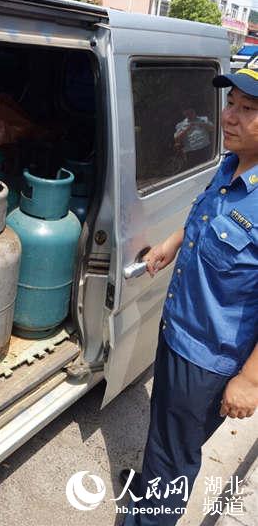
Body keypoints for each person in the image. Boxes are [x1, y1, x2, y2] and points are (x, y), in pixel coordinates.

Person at [120, 67, 258, 525]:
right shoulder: (232, 164)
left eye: (247, 109)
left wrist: (251, 381)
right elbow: (205, 218)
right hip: (178, 330)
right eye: (231, 103)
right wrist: (171, 243)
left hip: (206, 361)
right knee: (163, 434)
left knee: (174, 460)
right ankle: (145, 494)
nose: (229, 117)